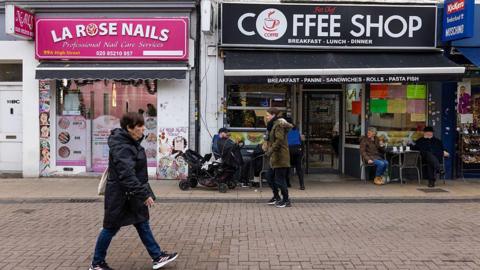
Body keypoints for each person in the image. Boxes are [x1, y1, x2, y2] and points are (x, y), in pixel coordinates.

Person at [89, 112, 177, 270]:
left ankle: (157, 256)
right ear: (129, 128)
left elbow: (135, 174)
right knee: (110, 228)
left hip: (130, 195)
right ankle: (97, 263)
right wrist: (144, 194)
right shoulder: (123, 146)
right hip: (120, 196)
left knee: (142, 223)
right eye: (139, 126)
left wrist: (144, 192)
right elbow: (127, 175)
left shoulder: (130, 142)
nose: (143, 128)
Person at [263, 108, 293, 208]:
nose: (266, 117)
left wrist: (270, 151)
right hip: (274, 157)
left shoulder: (278, 125)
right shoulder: (272, 125)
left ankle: (286, 200)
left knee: (280, 180)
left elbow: (279, 140)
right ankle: (277, 197)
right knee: (269, 176)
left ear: (273, 115)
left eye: (267, 115)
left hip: (281, 156)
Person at [285, 118, 305, 190]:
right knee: (299, 168)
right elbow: (301, 141)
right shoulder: (296, 130)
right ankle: (302, 185)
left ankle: (287, 183)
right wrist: (302, 152)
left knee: (287, 167)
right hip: (297, 149)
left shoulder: (286, 130)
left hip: (289, 149)